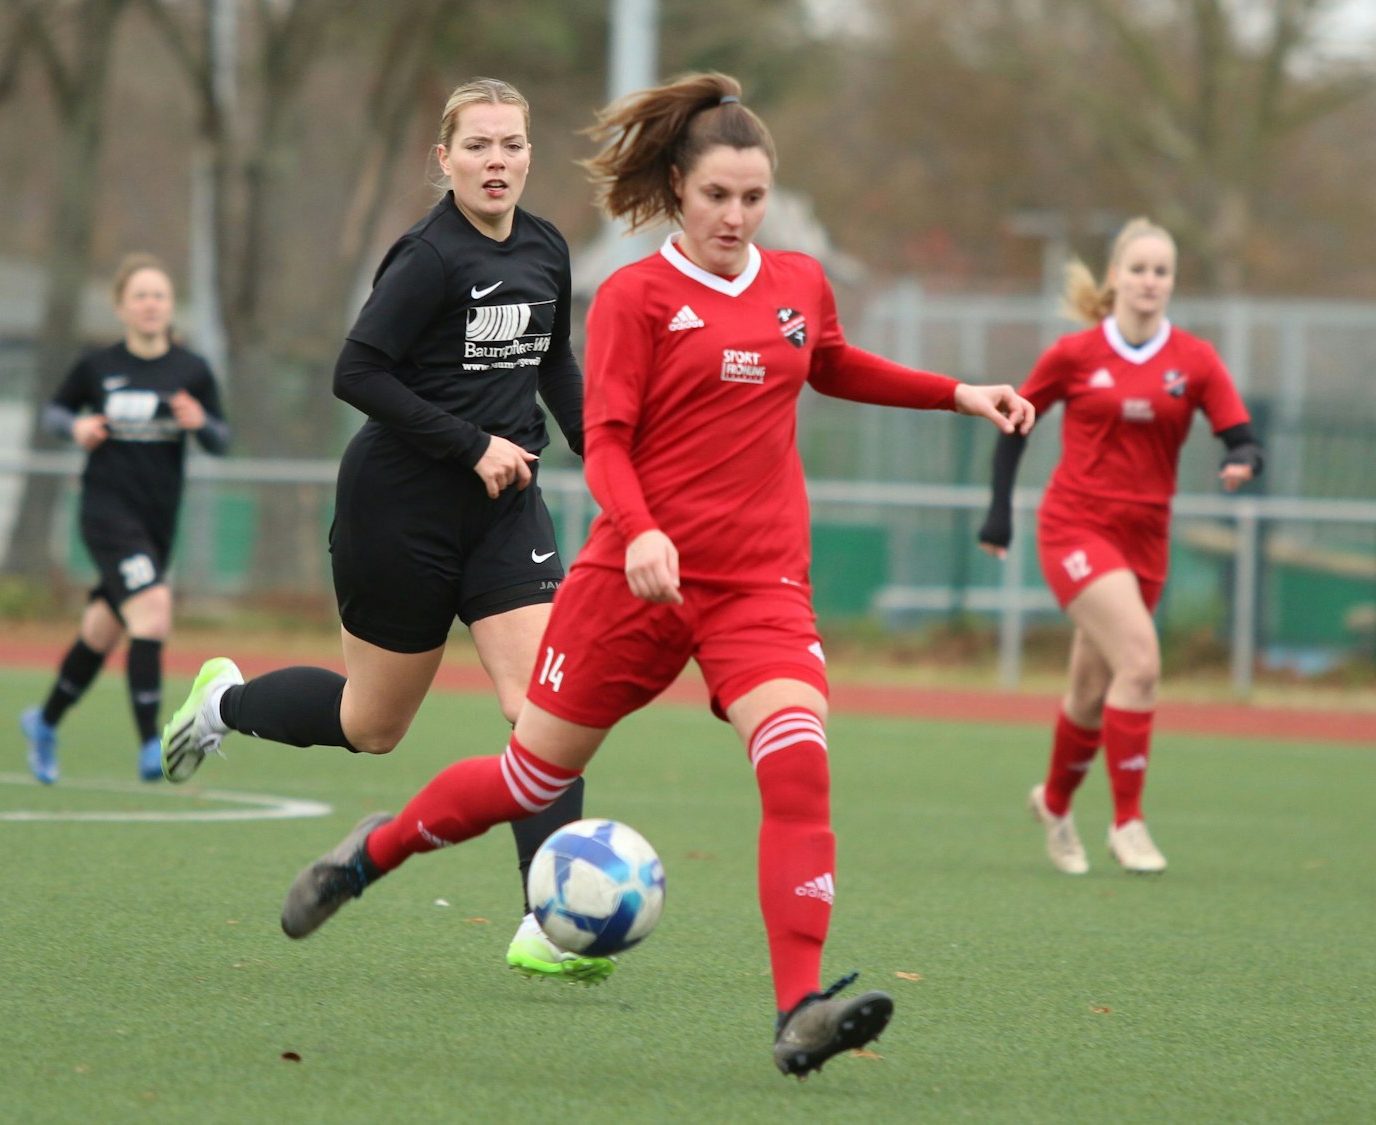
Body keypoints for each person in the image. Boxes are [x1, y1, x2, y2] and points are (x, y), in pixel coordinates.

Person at [268, 72, 1035, 1077]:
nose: (735, 215)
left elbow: (833, 363)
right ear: (676, 187)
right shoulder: (635, 296)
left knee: (797, 761)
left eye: (753, 198)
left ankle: (798, 1009)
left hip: (757, 585)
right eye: (717, 195)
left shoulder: (799, 282)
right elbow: (607, 436)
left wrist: (958, 394)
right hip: (630, 582)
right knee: (525, 777)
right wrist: (634, 531)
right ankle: (370, 856)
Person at [155, 79, 612, 981]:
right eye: (477, 146)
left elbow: (552, 360)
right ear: (442, 160)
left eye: (512, 145)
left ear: (529, 155)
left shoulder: (548, 247)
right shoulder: (430, 257)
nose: (496, 162)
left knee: (542, 706)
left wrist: (604, 451)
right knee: (372, 725)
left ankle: (547, 923)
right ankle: (222, 702)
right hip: (399, 509)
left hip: (505, 507)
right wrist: (468, 439)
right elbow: (356, 370)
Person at [977, 218, 1262, 877]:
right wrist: (999, 512)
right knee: (1140, 662)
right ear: (1114, 277)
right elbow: (1015, 423)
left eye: (1161, 271)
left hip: (1146, 539)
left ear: (1172, 282)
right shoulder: (1075, 354)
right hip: (1075, 526)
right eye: (1137, 268)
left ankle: (1052, 802)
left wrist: (1243, 459)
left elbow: (1240, 432)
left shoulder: (1193, 359)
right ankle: (1128, 822)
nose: (1149, 281)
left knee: (1089, 687)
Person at [19, 254, 230, 785]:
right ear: (120, 307)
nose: (151, 304)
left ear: (169, 306)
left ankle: (43, 723)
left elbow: (220, 441)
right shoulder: (98, 366)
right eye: (140, 295)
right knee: (154, 610)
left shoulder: (192, 370)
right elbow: (54, 413)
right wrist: (78, 428)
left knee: (103, 629)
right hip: (106, 511)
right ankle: (148, 743)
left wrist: (200, 421)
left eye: (159, 294)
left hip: (158, 520)